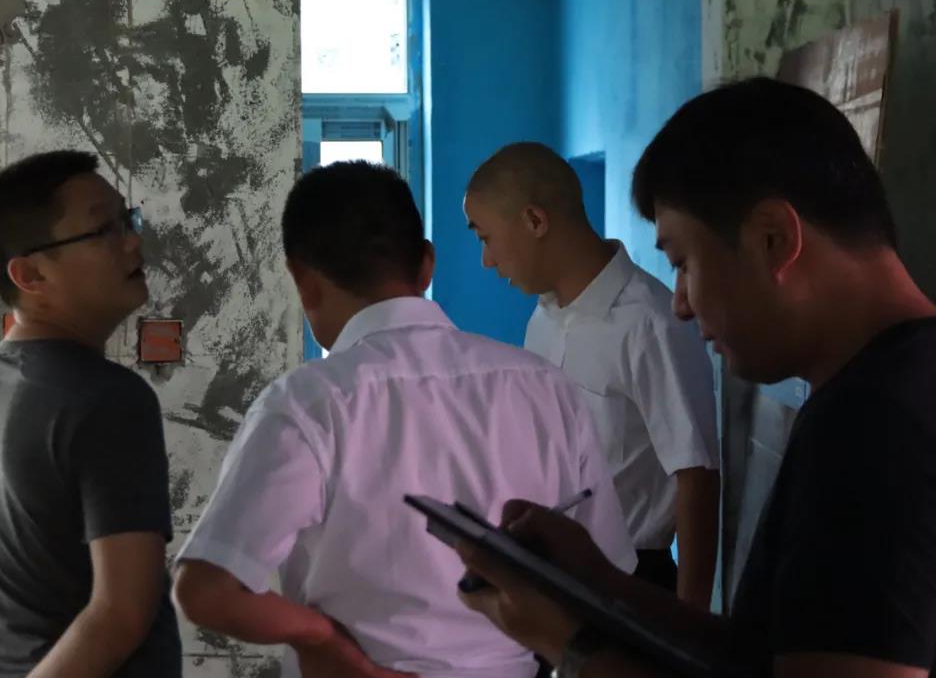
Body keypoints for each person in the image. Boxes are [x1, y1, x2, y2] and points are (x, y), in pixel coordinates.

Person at [456, 77, 936, 677]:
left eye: (683, 262)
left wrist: (568, 643)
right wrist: (597, 579)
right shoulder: (876, 391)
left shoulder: (876, 425)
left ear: (773, 239)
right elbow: (759, 655)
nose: (681, 303)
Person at [172, 161, 636, 678]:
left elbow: (205, 590)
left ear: (303, 281)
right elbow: (609, 574)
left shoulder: (307, 403)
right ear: (426, 265)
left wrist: (320, 637)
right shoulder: (545, 387)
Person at [0, 151, 182, 678]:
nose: (133, 241)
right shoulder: (110, 400)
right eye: (104, 230)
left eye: (127, 219)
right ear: (31, 273)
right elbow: (119, 615)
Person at [463, 143, 720, 605]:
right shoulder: (542, 319)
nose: (487, 260)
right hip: (553, 570)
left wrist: (689, 627)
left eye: (486, 238)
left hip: (631, 580)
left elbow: (697, 477)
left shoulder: (651, 322)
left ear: (535, 221)